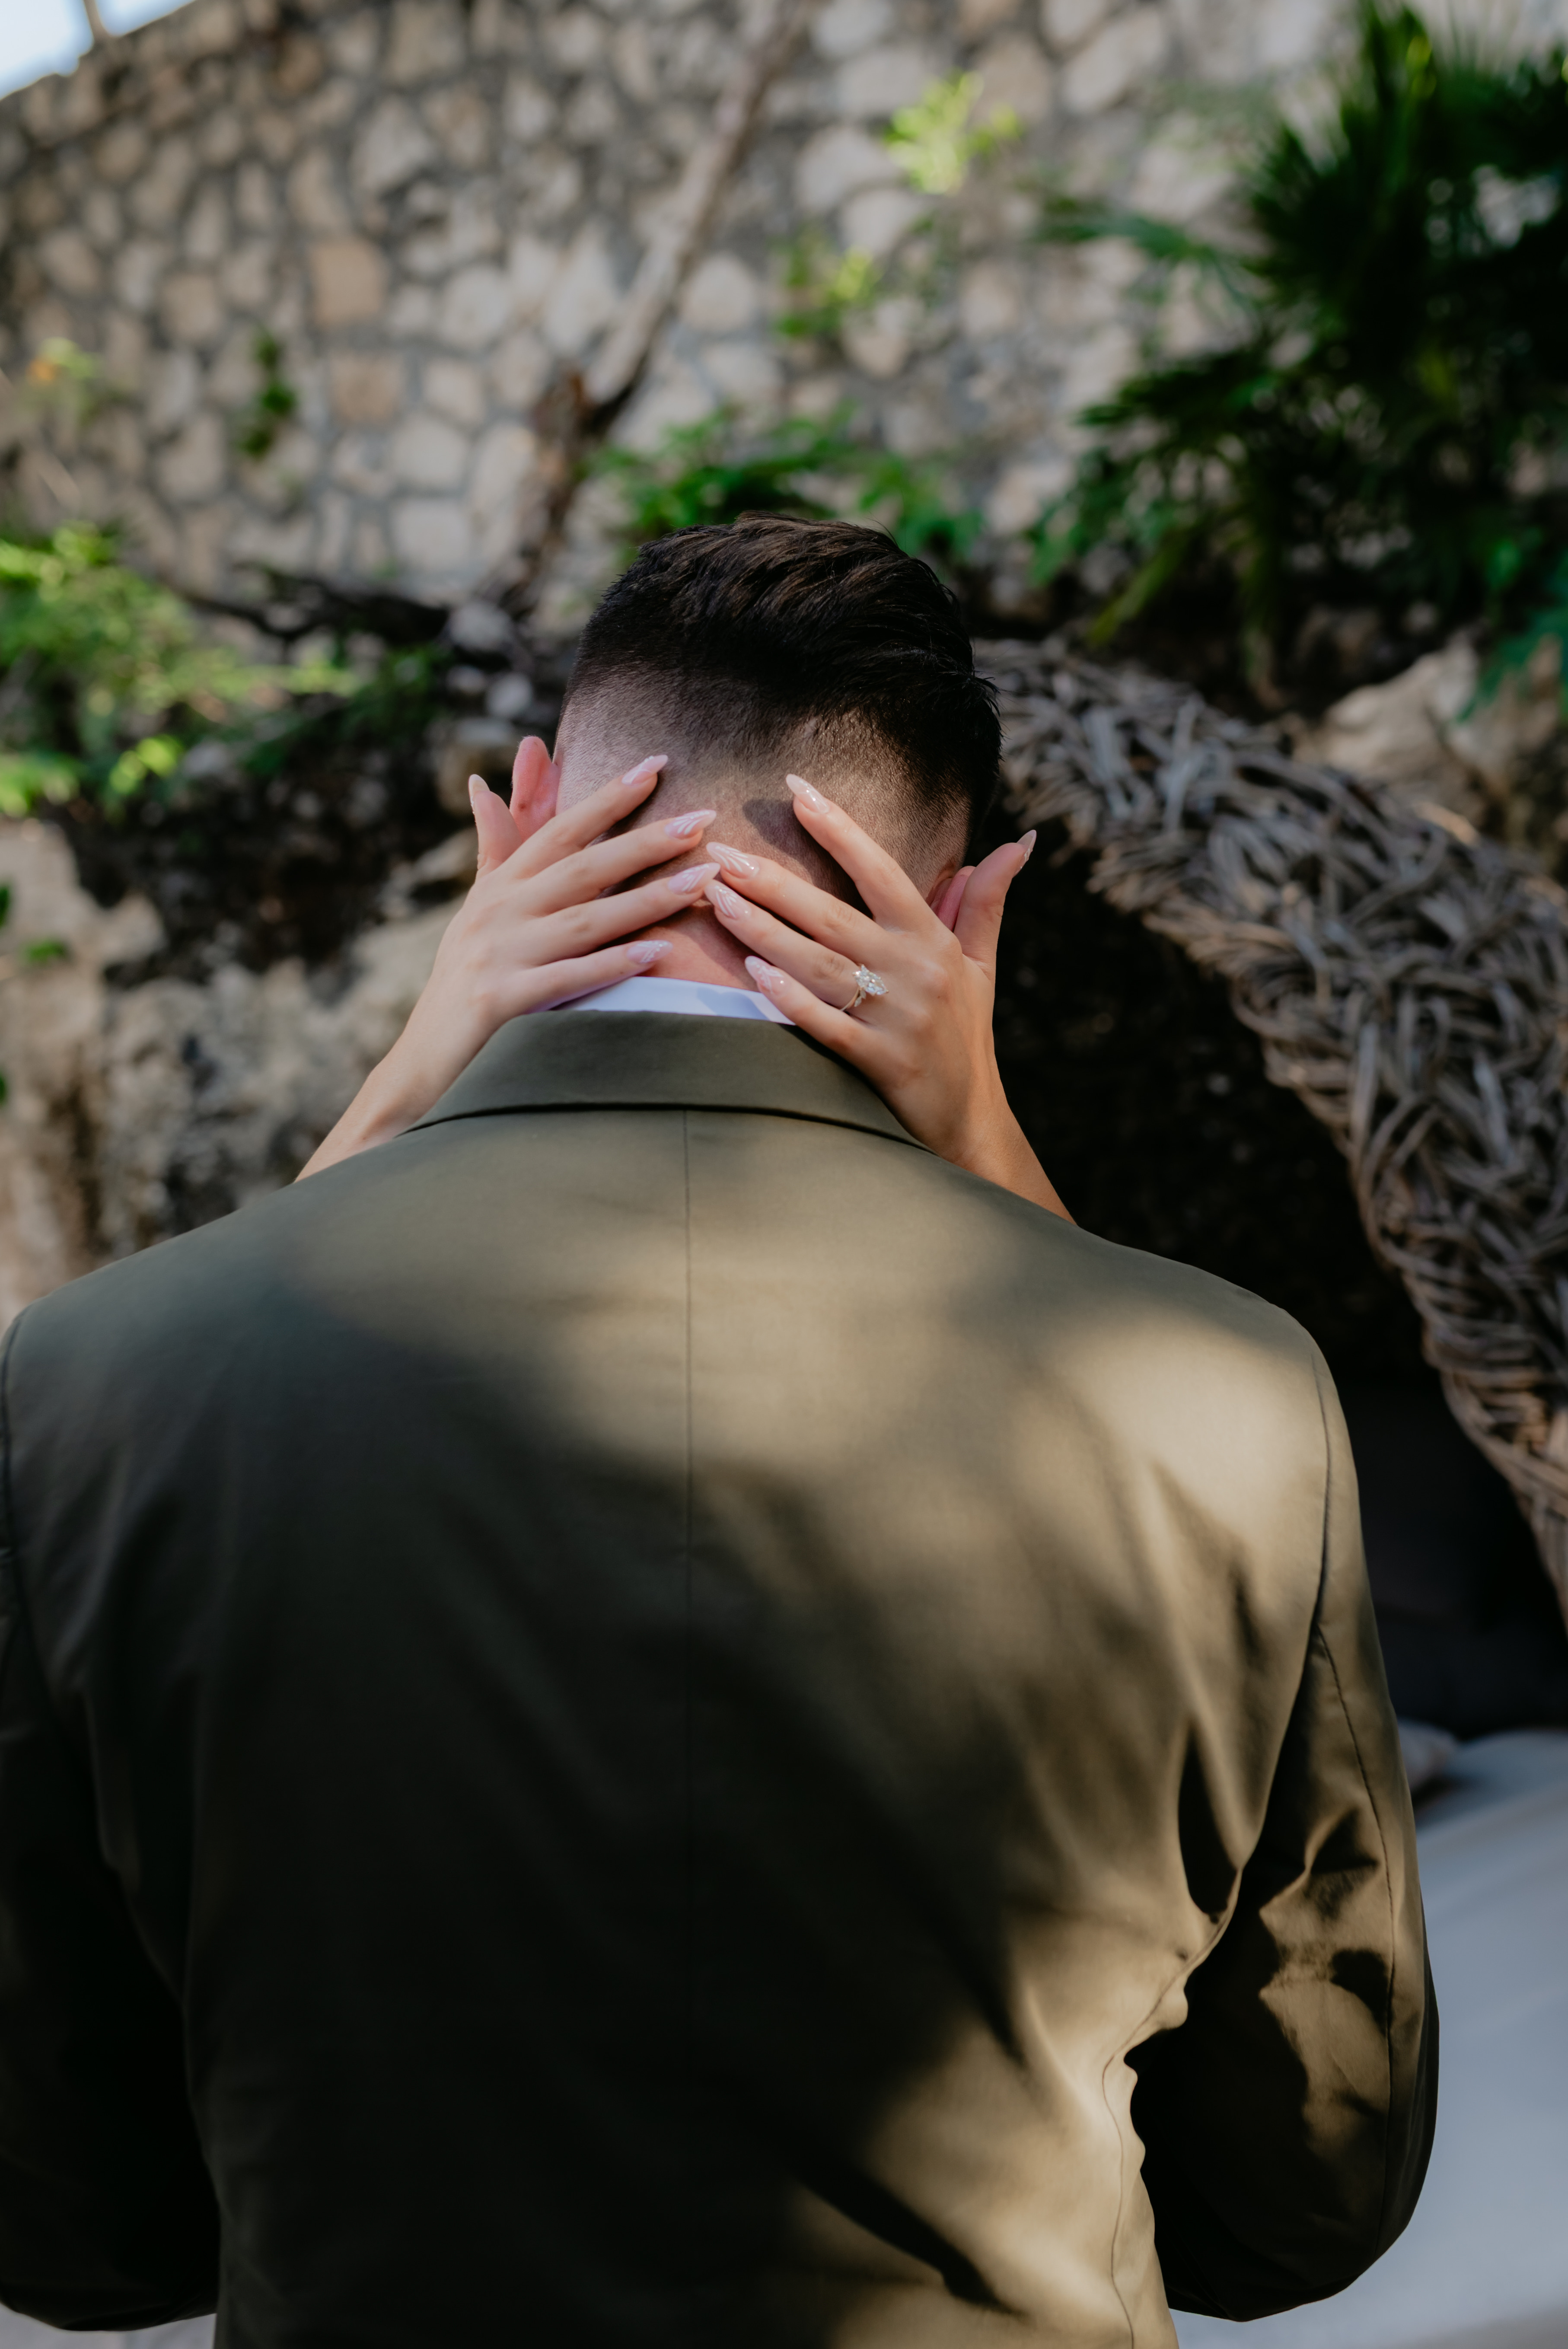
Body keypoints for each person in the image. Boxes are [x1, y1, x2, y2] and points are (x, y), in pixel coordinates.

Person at [0, 517, 1434, 2348]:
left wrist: (413, 1069)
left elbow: (69, 2220)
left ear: (522, 830)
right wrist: (990, 1140)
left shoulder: (91, 1384)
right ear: (960, 911)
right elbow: (1306, 2188)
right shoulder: (1226, 1395)